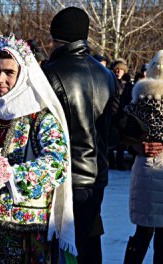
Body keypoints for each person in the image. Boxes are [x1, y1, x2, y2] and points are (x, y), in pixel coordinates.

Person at [0, 33, 76, 263]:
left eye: (9, 72)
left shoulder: (40, 116)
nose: (0, 78)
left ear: (23, 74)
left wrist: (11, 175)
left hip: (26, 231)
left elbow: (58, 163)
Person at [42, 7, 118, 264]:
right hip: (98, 176)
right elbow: (111, 128)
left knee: (64, 246)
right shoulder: (106, 74)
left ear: (57, 37)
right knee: (89, 239)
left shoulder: (51, 73)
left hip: (67, 176)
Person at [123, 50, 163, 264]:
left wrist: (137, 146)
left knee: (142, 232)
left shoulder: (140, 97)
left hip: (146, 168)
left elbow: (123, 132)